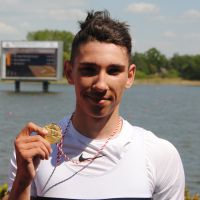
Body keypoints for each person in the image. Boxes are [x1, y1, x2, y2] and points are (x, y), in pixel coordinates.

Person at [6, 10, 185, 200]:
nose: (100, 85)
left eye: (113, 71)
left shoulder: (159, 155)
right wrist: (22, 181)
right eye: (89, 70)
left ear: (130, 76)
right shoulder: (33, 152)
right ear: (69, 72)